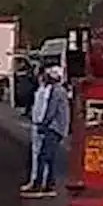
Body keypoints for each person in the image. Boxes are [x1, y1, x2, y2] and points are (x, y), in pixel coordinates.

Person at [26, 65, 69, 198]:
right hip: (57, 128)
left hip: (53, 128)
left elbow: (51, 110)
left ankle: (39, 185)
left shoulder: (56, 92)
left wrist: (43, 124)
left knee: (43, 157)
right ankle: (48, 185)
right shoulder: (59, 90)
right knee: (49, 158)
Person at [22, 68, 52, 195]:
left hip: (40, 125)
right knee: (37, 155)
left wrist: (41, 123)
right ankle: (36, 180)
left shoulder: (45, 92)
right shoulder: (41, 90)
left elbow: (43, 108)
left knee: (39, 155)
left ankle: (38, 181)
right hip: (37, 124)